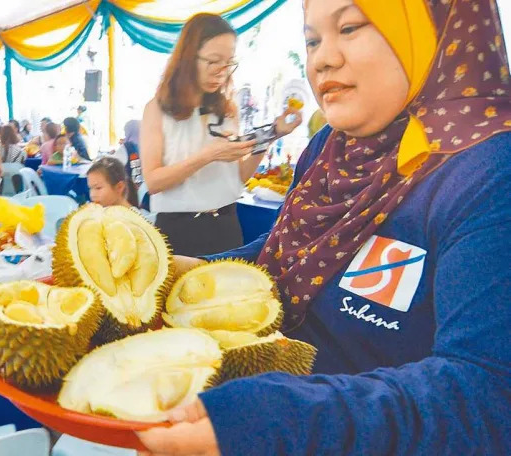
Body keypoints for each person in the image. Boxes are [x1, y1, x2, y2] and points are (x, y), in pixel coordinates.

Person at [138, 1, 511, 455]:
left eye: (350, 27)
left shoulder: (486, 173)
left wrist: (286, 419)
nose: (322, 59)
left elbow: (484, 395)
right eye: (312, 40)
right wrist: (199, 269)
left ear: (434, 33)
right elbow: (288, 252)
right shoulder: (329, 149)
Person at [140, 14, 301, 257]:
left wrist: (272, 135)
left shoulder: (227, 108)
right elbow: (153, 182)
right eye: (213, 61)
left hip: (226, 226)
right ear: (188, 58)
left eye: (228, 63)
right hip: (177, 231)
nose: (222, 72)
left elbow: (238, 178)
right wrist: (208, 155)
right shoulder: (158, 109)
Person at [113, 119, 143, 186]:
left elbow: (112, 164)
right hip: (144, 190)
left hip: (130, 190)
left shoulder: (126, 147)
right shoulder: (146, 145)